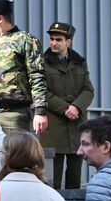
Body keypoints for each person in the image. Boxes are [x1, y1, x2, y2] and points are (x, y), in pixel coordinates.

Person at [0, 0, 47, 136]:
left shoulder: (25, 40)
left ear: (0, 19)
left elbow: (37, 76)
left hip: (14, 115)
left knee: (15, 156)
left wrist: (40, 111)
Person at [40, 22, 93, 190]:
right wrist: (66, 108)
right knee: (52, 179)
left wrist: (77, 107)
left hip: (76, 124)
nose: (53, 43)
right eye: (52, 39)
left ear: (68, 42)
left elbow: (88, 89)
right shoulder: (42, 62)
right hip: (54, 125)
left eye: (59, 39)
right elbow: (42, 91)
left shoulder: (79, 62)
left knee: (74, 179)